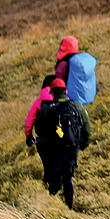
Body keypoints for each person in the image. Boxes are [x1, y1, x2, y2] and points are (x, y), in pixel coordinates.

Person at [32, 78, 90, 209]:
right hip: (72, 148)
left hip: (54, 150)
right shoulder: (77, 106)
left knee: (54, 179)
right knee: (67, 179)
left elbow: (39, 129)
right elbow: (86, 127)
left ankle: (53, 208)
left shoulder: (47, 108)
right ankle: (69, 207)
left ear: (52, 92)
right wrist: (82, 144)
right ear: (66, 90)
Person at [25, 73, 91, 146]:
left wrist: (29, 136)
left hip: (48, 141)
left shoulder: (39, 102)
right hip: (69, 138)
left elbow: (29, 121)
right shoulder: (65, 99)